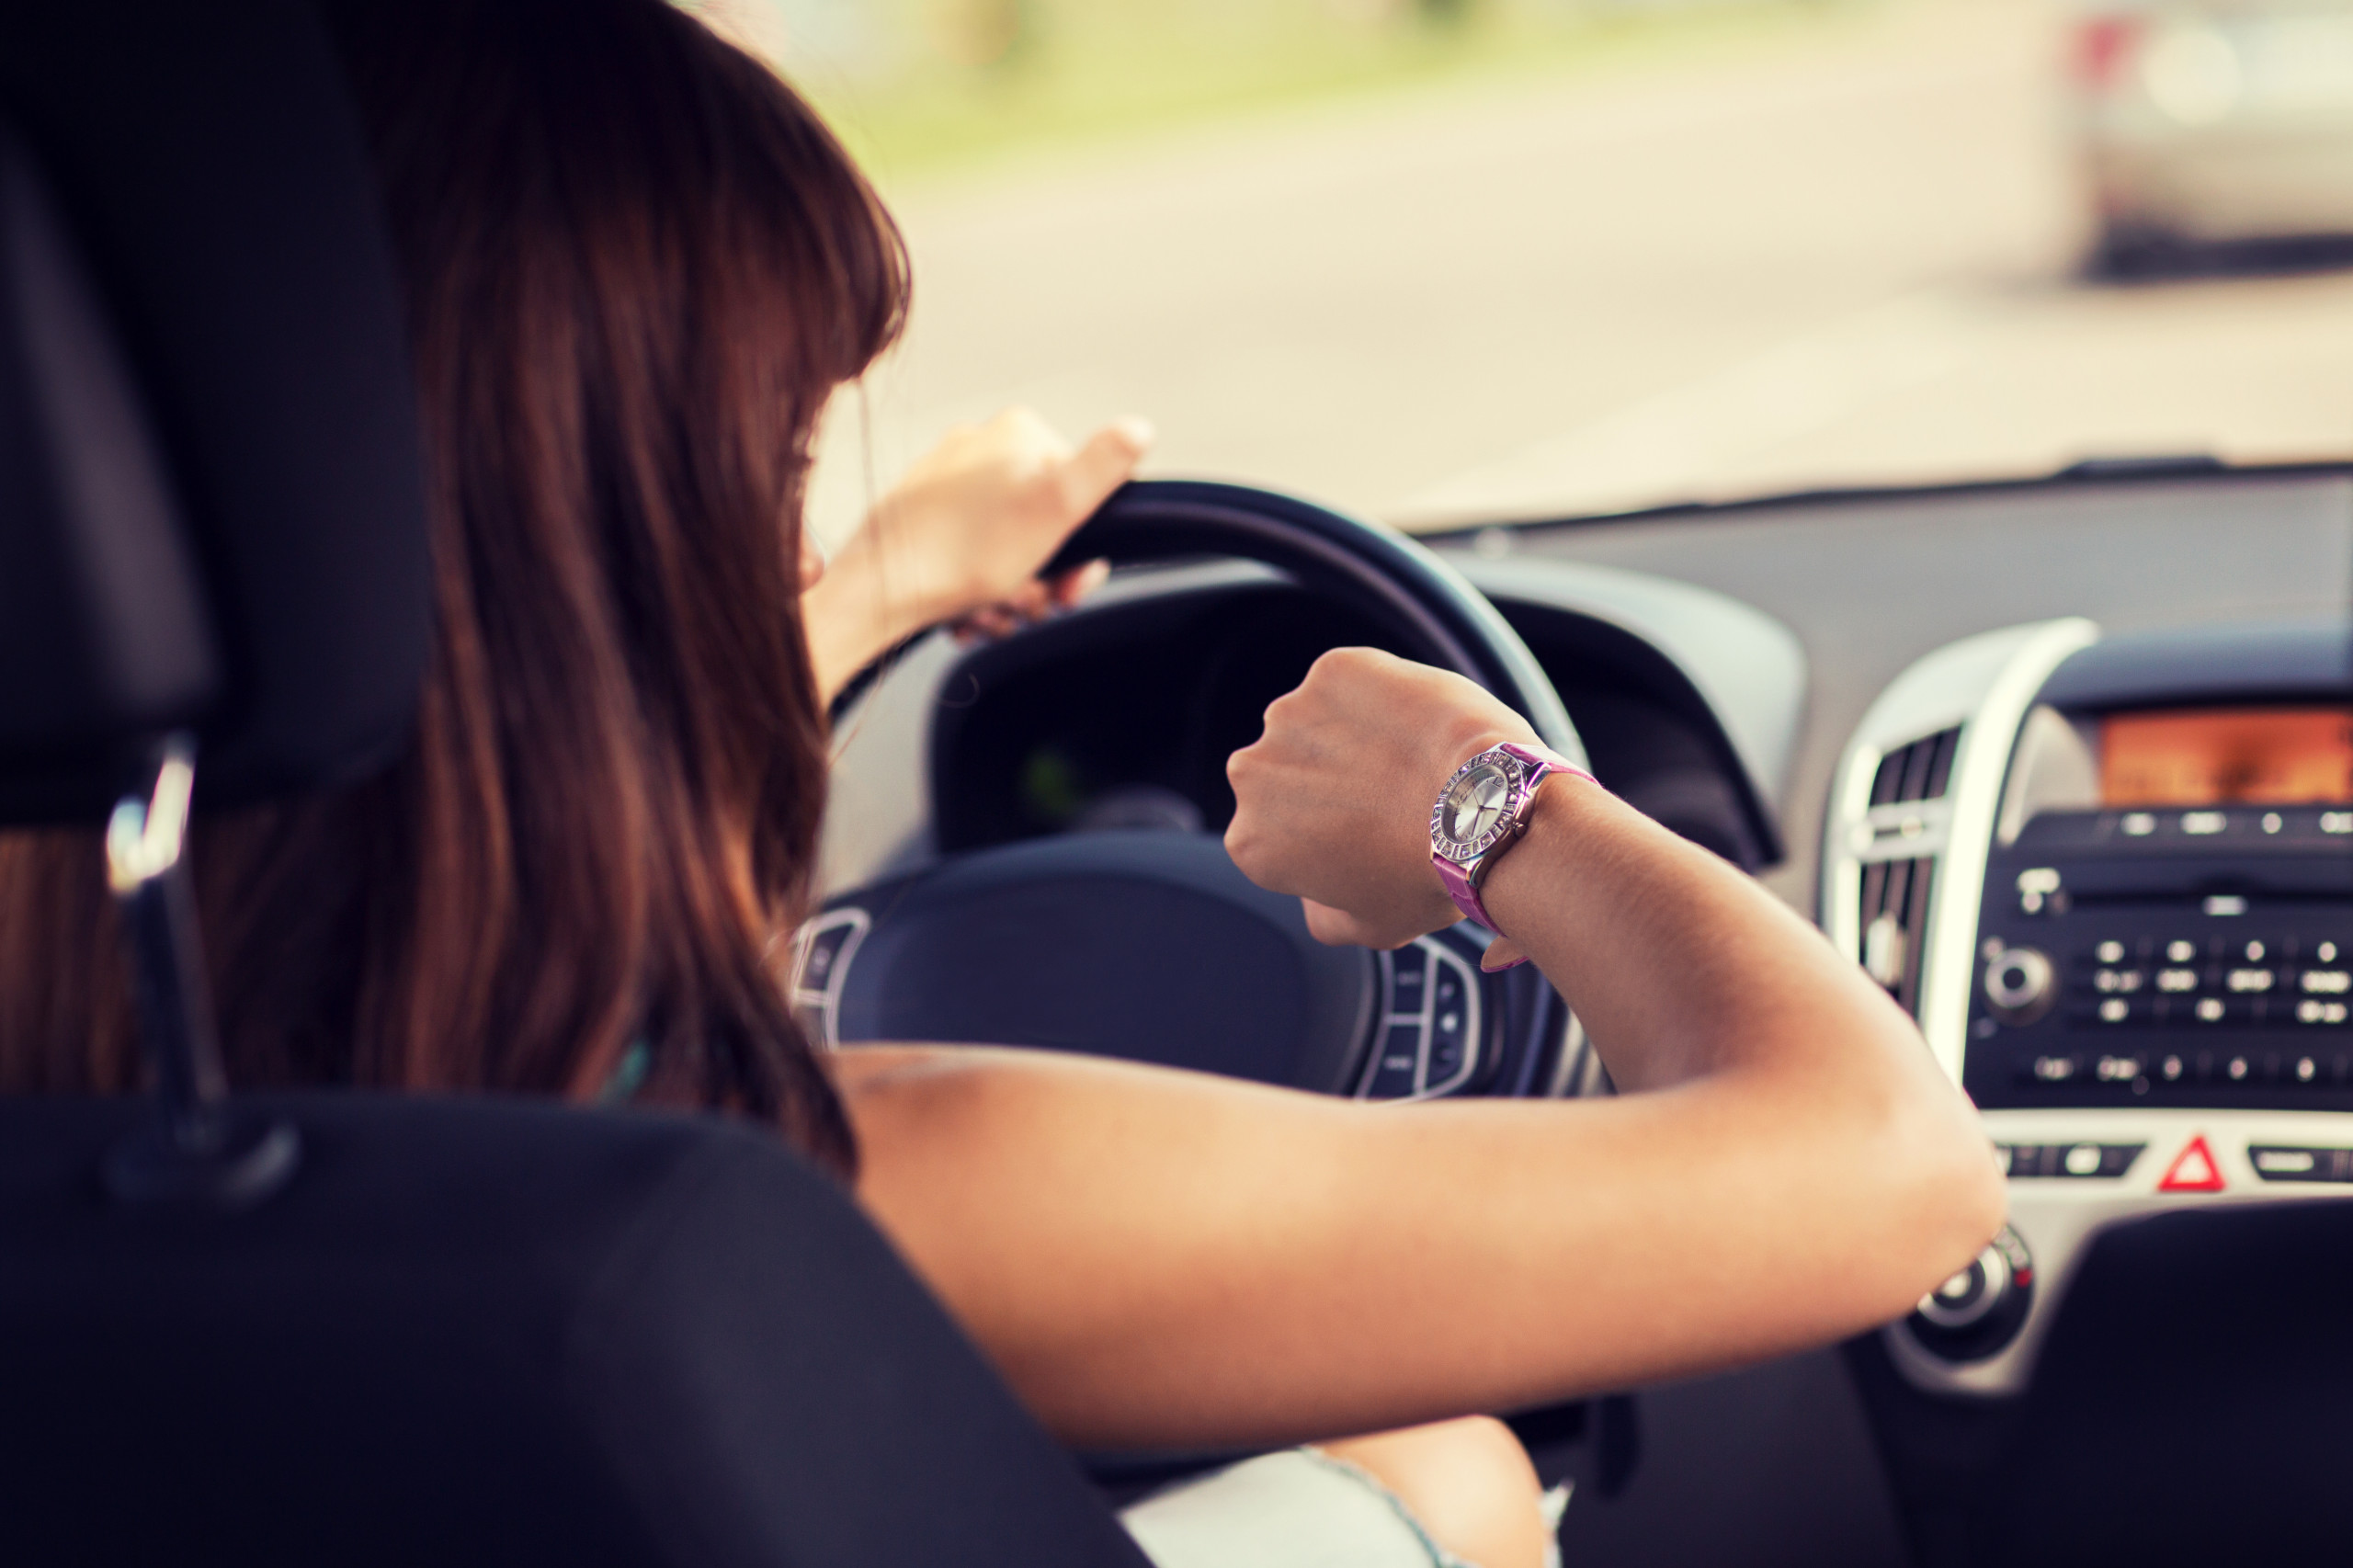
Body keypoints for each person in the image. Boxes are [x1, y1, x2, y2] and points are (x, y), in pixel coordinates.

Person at [0, 3, 2006, 1565]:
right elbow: (1882, 1170)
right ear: (595, 559)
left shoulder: (112, 1146)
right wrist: (1488, 802)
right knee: (1450, 1475)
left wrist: (864, 588)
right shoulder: (803, 1199)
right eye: (776, 479)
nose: (797, 542)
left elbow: (480, 776)